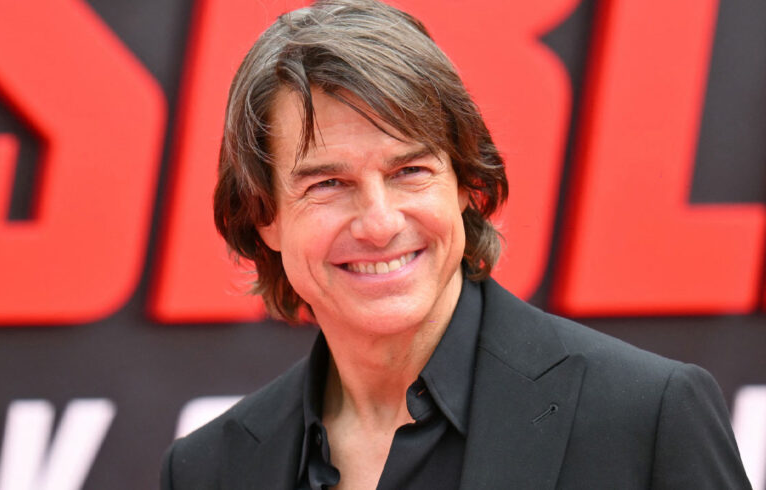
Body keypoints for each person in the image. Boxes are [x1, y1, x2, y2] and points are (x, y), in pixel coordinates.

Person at [160, 0, 751, 488]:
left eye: (409, 171)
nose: (379, 223)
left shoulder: (646, 416)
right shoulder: (208, 470)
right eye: (328, 184)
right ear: (264, 215)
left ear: (467, 183)